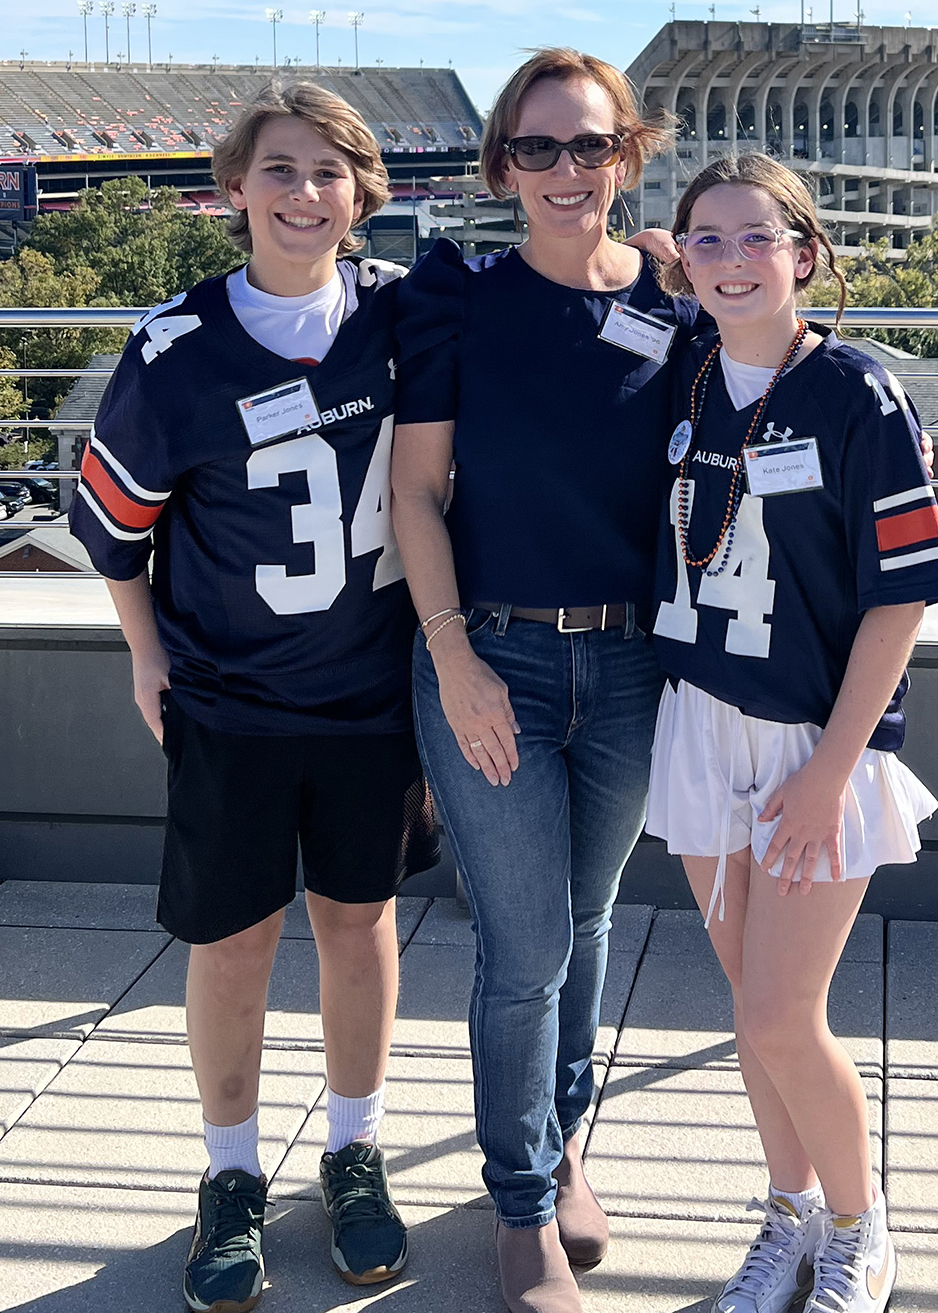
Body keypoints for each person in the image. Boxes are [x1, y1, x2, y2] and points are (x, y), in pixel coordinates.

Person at [69, 83, 438, 1313]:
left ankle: (352, 1144)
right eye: (278, 168)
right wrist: (143, 653)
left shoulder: (401, 313)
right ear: (234, 188)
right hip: (230, 695)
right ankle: (228, 1172)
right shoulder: (176, 348)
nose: (303, 192)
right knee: (234, 942)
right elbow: (114, 526)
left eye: (328, 171)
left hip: (373, 693)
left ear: (363, 192)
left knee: (358, 922)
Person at [390, 48, 694, 1313]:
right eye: (537, 148)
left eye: (590, 146)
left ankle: (564, 1139)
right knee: (522, 946)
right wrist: (454, 657)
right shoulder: (462, 299)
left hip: (631, 664)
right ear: (501, 164)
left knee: (590, 921)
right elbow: (415, 492)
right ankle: (521, 1202)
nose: (566, 172)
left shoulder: (679, 302)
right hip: (493, 652)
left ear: (629, 153)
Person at [646, 152, 938, 1313]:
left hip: (811, 744)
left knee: (785, 1011)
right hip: (698, 723)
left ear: (804, 254)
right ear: (680, 255)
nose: (731, 259)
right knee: (751, 1011)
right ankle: (789, 1217)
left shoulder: (857, 393)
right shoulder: (683, 377)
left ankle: (863, 1226)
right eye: (706, 239)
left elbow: (903, 593)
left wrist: (837, 764)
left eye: (755, 237)